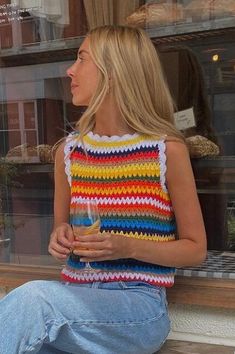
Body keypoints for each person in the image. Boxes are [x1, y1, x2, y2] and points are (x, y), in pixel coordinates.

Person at [0, 25, 207, 354]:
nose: (70, 70)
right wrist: (60, 237)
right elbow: (61, 229)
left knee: (34, 300)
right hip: (76, 304)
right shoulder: (67, 153)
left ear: (114, 72)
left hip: (138, 308)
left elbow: (195, 249)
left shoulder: (165, 151)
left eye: (82, 58)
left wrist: (127, 246)